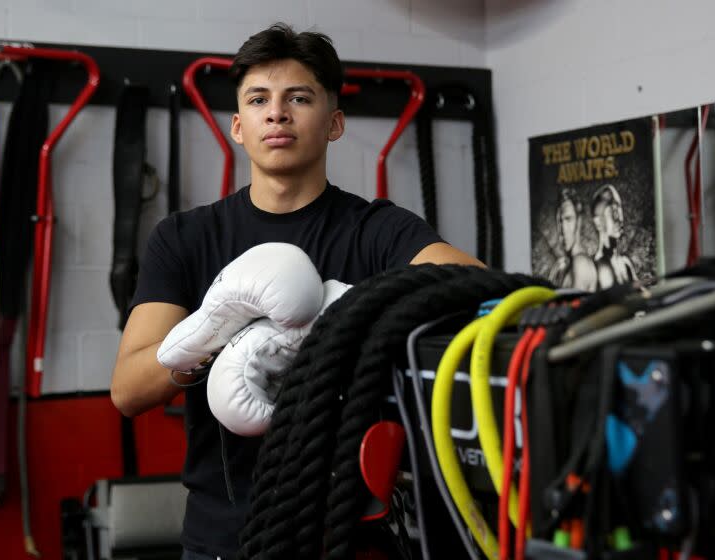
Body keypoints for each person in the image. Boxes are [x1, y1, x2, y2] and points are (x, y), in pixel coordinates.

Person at [110, 23, 483, 560]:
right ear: (239, 126)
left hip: (349, 533)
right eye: (259, 99)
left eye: (298, 98)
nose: (277, 113)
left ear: (334, 123)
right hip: (223, 539)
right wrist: (219, 324)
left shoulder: (376, 230)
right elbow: (127, 390)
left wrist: (344, 311)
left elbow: (477, 286)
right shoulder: (186, 238)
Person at [547, 188, 597, 291]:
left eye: (568, 219)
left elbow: (574, 306)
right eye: (560, 221)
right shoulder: (564, 265)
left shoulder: (581, 263)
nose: (563, 229)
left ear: (578, 221)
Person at [591, 183, 636, 289]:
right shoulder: (595, 267)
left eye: (619, 211)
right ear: (598, 222)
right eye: (613, 212)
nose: (619, 220)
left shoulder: (625, 264)